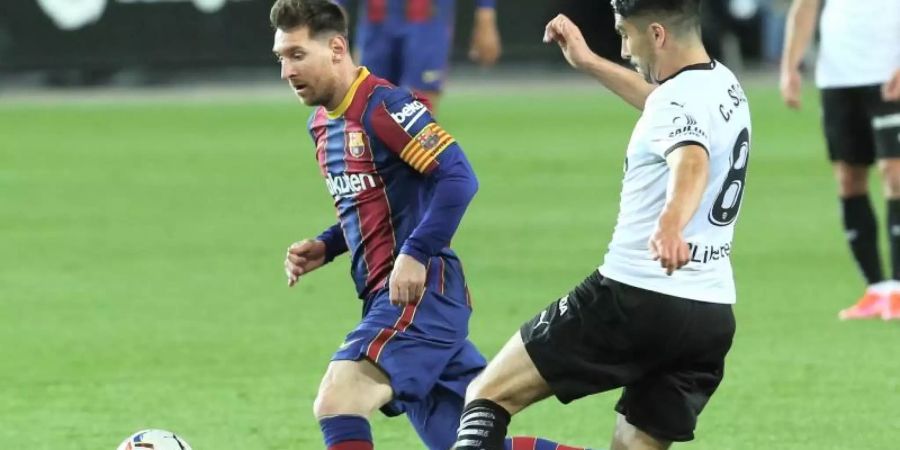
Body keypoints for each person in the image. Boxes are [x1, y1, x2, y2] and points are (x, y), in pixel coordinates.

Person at [454, 0, 752, 448]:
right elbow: (662, 108)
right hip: (708, 317)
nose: (624, 49)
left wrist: (670, 224)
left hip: (635, 298)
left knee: (486, 395)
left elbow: (691, 159)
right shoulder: (722, 84)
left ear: (657, 35)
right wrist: (590, 63)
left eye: (624, 34)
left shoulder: (677, 103)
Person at [271, 1, 485, 449]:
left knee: (338, 398)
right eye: (281, 58)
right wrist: (327, 245)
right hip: (389, 297)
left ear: (335, 48)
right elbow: (374, 200)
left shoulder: (385, 106)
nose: (287, 71)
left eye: (297, 55)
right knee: (470, 445)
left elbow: (458, 176)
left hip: (420, 292)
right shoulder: (321, 125)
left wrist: (415, 252)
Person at [780, 0, 900, 320]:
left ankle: (899, 290)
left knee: (895, 174)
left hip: (889, 74)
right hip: (838, 78)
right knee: (849, 179)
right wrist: (789, 66)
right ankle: (877, 289)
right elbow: (805, 7)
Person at [332, 0, 502, 110]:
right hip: (377, 19)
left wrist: (486, 15)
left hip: (426, 18)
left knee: (419, 110)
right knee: (368, 108)